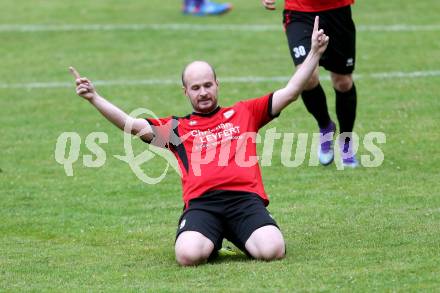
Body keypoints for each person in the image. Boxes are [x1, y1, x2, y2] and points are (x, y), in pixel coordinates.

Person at [70, 16, 328, 266]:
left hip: (244, 200)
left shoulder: (244, 112)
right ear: (186, 92)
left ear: (217, 84)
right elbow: (130, 124)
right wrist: (95, 98)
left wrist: (314, 53)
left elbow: (291, 92)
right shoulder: (176, 129)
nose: (203, 92)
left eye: (208, 85)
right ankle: (212, 240)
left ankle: (241, 235)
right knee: (187, 256)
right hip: (203, 205)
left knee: (273, 250)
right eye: (195, 88)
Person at [262, 0, 358, 167]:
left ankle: (346, 141)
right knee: (307, 77)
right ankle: (325, 126)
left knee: (342, 82)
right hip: (299, 11)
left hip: (338, 10)